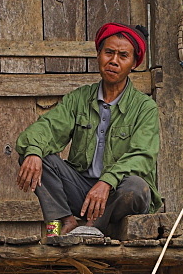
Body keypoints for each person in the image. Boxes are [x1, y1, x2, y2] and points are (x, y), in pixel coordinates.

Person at [16, 22, 161, 238]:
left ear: (133, 63)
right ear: (99, 55)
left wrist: (107, 181)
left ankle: (93, 228)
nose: (113, 61)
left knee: (136, 187)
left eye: (123, 56)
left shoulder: (144, 107)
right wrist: (34, 151)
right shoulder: (79, 99)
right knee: (34, 154)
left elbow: (142, 157)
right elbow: (47, 128)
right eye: (109, 52)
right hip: (83, 193)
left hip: (117, 193)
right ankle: (65, 221)